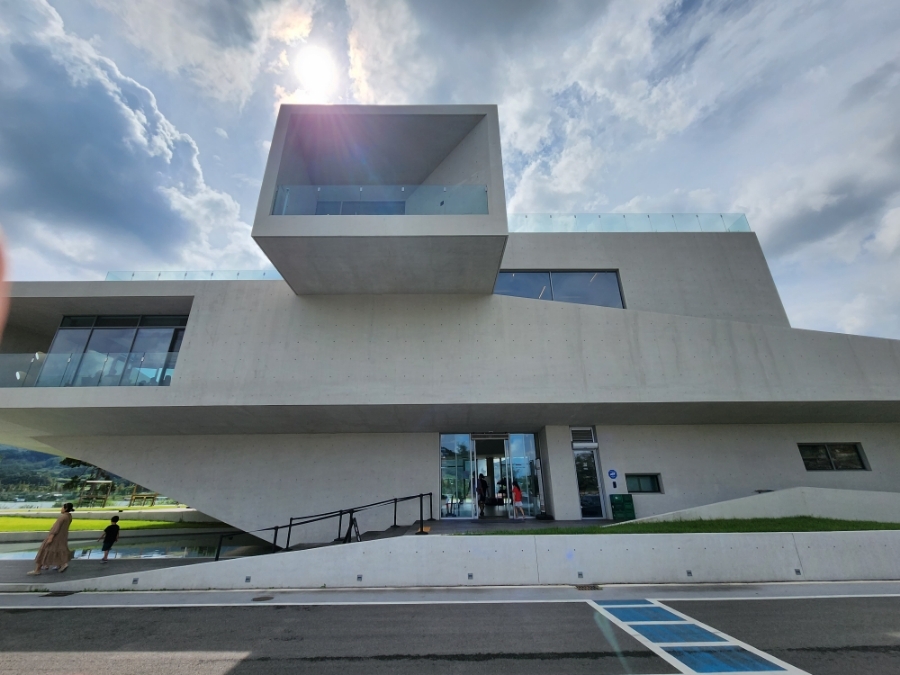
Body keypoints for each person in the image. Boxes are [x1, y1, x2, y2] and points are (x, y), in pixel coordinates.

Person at [27, 503, 74, 575]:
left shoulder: (62, 517)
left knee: (44, 551)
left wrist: (51, 536)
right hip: (62, 537)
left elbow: (55, 528)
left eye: (62, 507)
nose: (61, 509)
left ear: (66, 508)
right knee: (57, 551)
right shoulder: (69, 517)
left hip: (56, 537)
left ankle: (37, 570)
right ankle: (60, 564)